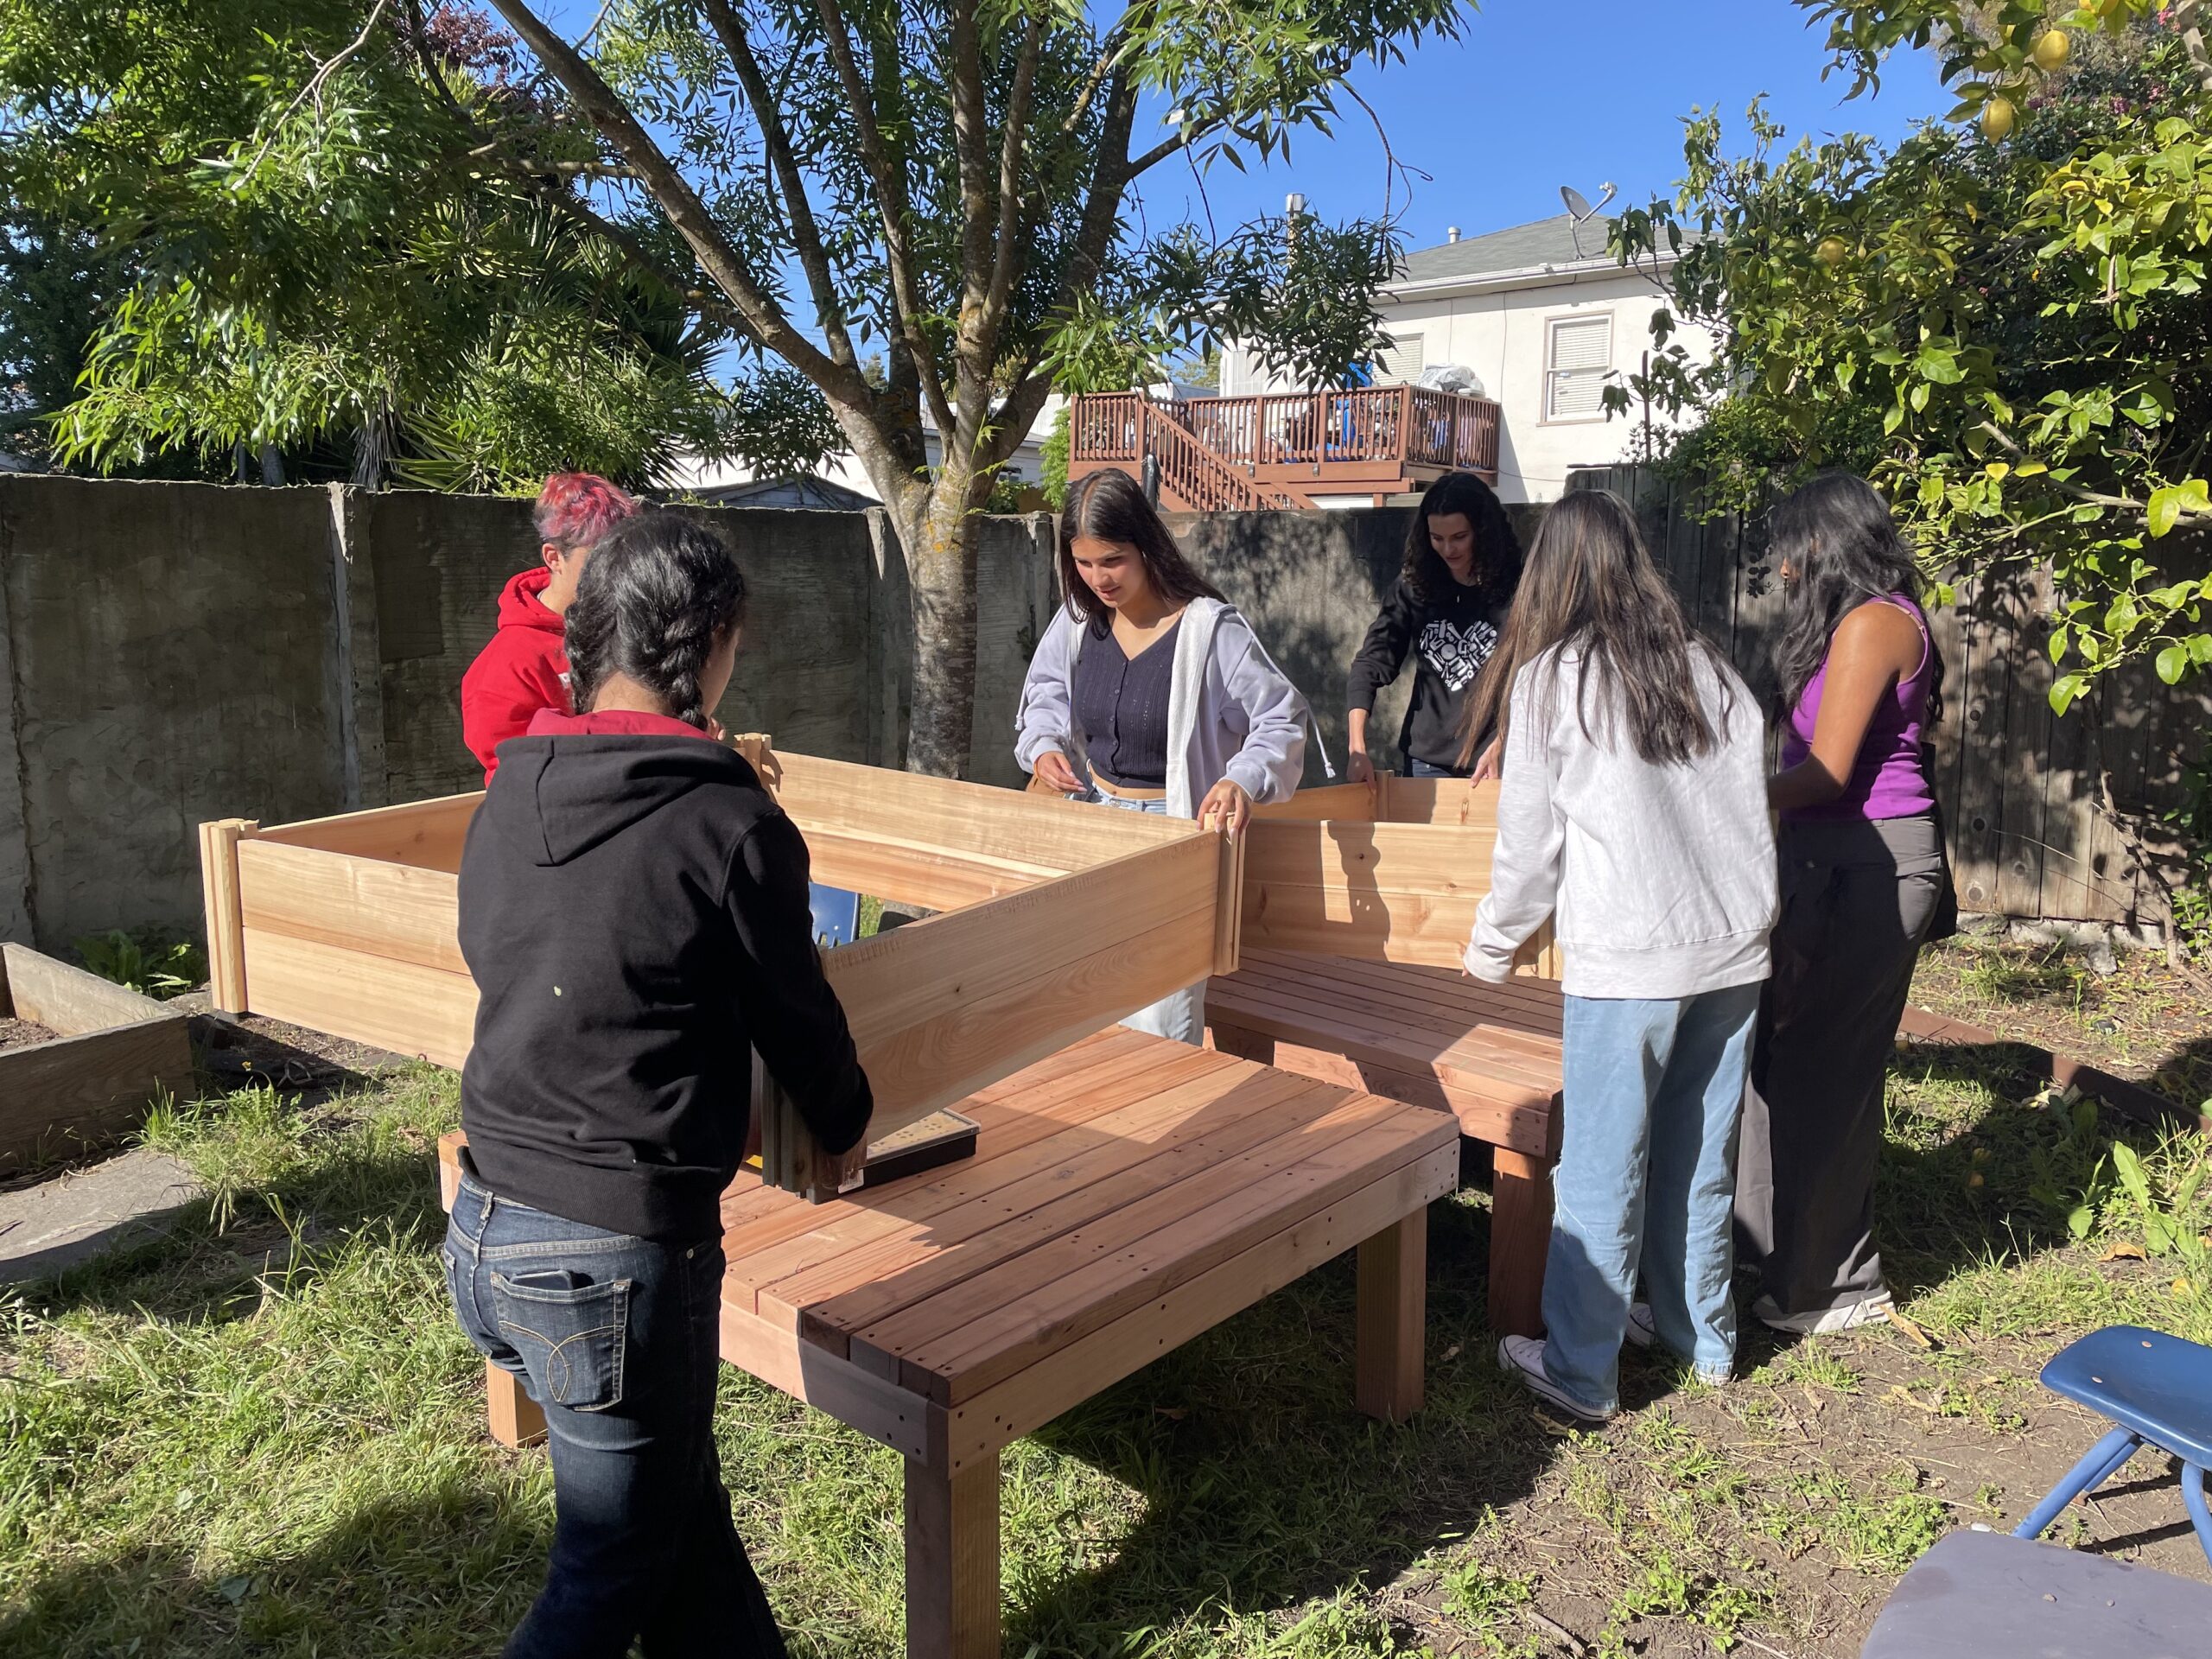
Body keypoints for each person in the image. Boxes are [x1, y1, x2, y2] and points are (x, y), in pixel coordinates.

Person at [447, 511, 873, 1657]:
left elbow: (502, 953)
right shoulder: (728, 819)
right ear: (715, 643)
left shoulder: (510, 794)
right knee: (610, 1577)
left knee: (680, 1521)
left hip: (484, 1224)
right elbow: (798, 1015)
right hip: (610, 1265)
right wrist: (845, 1126)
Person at [1463, 490, 1777, 1424]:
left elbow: (1527, 849)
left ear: (1547, 576)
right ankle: (1701, 1339)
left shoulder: (1551, 680)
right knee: (1697, 1154)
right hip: (1730, 952)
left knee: (1601, 1166)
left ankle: (1580, 1371)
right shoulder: (1708, 668)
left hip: (1630, 959)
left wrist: (1487, 950)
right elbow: (1747, 813)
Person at [1735, 473, 1950, 1337]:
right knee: (1766, 1057)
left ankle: (1832, 1286)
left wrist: (1720, 798)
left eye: (1793, 549)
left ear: (1831, 540)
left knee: (1827, 1068)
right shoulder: (1847, 622)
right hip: (1827, 858)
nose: (1784, 568)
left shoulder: (1874, 622)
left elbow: (1824, 773)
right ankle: (1766, 1247)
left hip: (1871, 867)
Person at [1015, 468, 1316, 1043]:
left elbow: (1281, 718)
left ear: (1146, 546)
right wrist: (1043, 748)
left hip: (1175, 838)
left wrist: (1241, 780)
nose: (1097, 578)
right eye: (1083, 563)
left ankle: (1172, 1135)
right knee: (1089, 1007)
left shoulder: (1210, 630)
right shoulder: (1077, 621)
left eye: (1112, 561)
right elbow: (1046, 693)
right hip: (1092, 828)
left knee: (1160, 1022)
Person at [460, 472, 639, 783]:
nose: (617, 573)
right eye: (599, 558)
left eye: (625, 557)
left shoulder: (632, 624)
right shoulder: (507, 665)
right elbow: (519, 782)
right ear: (554, 558)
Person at [1346, 470, 1522, 782]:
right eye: (1437, 538)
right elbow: (1371, 662)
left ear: (1483, 531)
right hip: (1424, 762)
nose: (1448, 550)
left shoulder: (1519, 590)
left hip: (1494, 760)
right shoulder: (1413, 587)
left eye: (1460, 537)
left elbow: (1536, 682)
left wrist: (1503, 743)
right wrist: (1356, 748)